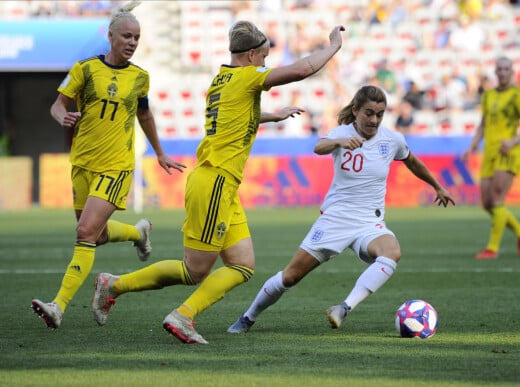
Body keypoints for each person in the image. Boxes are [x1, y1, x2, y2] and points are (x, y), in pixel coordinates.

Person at [91, 20, 345, 344]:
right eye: (264, 58)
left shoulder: (221, 80)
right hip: (215, 182)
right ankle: (121, 288)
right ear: (252, 54)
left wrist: (270, 115)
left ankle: (178, 312)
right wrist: (333, 46)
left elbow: (234, 115)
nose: (264, 65)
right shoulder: (246, 76)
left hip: (224, 186)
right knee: (193, 271)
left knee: (242, 265)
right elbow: (299, 70)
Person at [227, 85, 455, 334]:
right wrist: (340, 141)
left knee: (392, 252)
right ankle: (248, 318)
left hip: (369, 222)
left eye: (379, 114)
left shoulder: (392, 140)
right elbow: (319, 147)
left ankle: (343, 308)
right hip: (335, 220)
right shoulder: (342, 133)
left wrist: (437, 187)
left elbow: (411, 160)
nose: (374, 120)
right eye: (369, 113)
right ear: (356, 111)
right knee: (290, 277)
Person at [31, 0, 186, 329]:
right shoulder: (84, 69)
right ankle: (137, 232)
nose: (132, 42)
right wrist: (64, 117)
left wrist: (159, 152)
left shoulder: (140, 77)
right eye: (127, 36)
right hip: (82, 163)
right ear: (111, 36)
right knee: (97, 236)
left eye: (137, 38)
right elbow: (58, 105)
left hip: (116, 166)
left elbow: (144, 114)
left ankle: (58, 306)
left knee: (85, 232)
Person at [461, 56, 520, 259]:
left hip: (508, 152)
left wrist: (512, 141)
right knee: (486, 203)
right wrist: (472, 146)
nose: (502, 72)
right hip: (490, 153)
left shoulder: (518, 95)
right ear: (495, 72)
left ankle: (492, 248)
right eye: (499, 69)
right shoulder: (488, 95)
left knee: (497, 198)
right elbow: (483, 125)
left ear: (511, 71)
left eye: (506, 69)